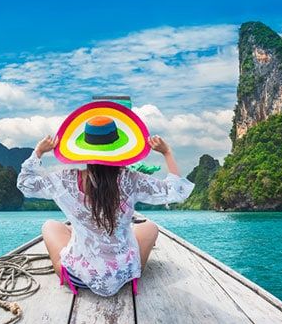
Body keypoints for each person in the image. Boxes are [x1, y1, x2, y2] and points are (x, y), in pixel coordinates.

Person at [17, 127, 194, 297]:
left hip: (78, 276)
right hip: (123, 274)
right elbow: (176, 191)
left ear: (83, 151)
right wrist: (167, 152)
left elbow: (25, 183)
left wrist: (39, 151)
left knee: (50, 226)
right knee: (151, 228)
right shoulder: (131, 179)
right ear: (119, 150)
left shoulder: (65, 179)